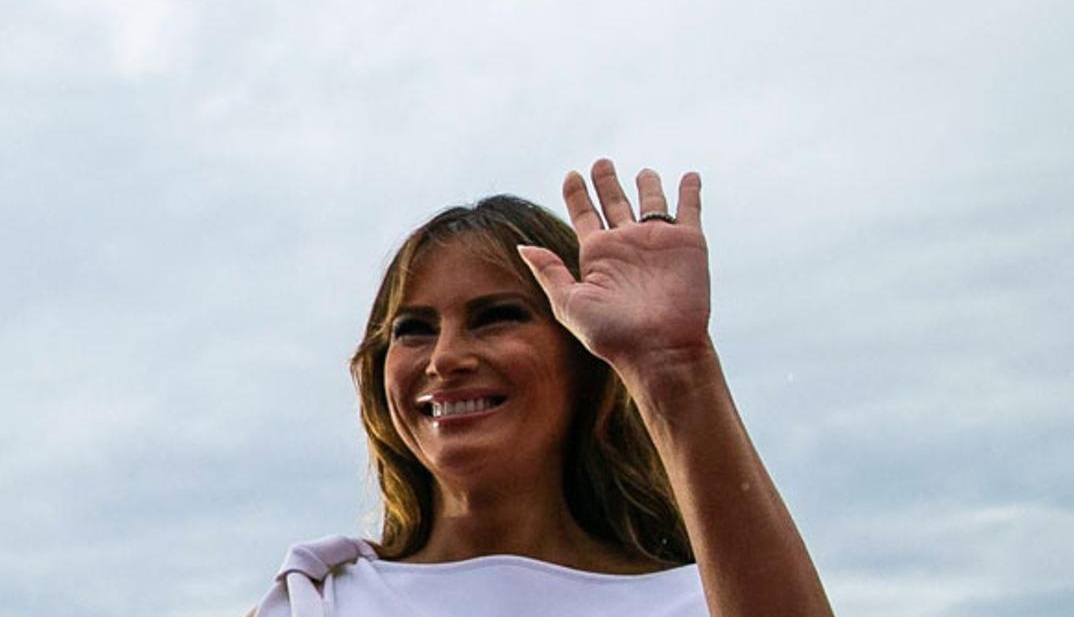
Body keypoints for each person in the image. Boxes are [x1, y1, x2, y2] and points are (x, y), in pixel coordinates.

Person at [250, 159, 834, 616]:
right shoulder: (318, 601)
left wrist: (673, 367)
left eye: (496, 316)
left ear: (585, 358)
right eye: (414, 329)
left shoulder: (702, 600)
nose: (446, 358)